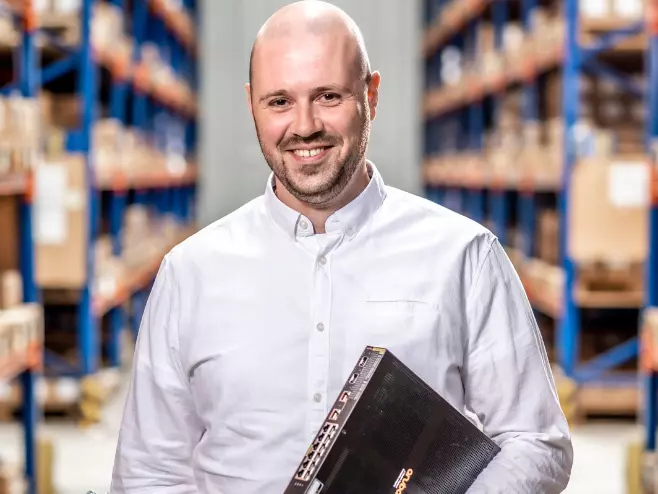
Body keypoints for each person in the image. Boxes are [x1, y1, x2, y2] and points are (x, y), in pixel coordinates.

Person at [110, 1, 573, 493]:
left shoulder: (463, 257)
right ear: (252, 105)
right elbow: (149, 473)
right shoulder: (191, 272)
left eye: (328, 96)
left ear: (371, 95)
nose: (304, 125)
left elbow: (535, 440)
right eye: (279, 101)